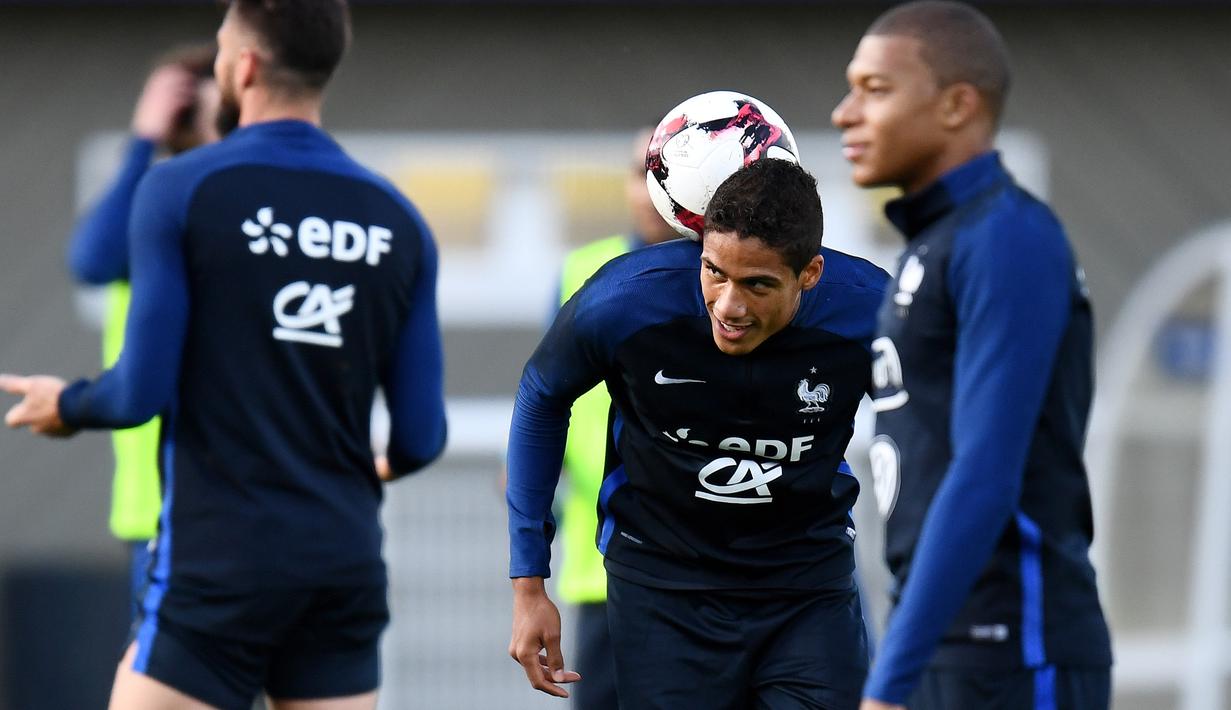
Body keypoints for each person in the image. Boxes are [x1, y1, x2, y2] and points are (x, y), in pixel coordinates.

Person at [2, 1, 447, 708]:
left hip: (221, 565)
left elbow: (138, 393)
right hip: (342, 564)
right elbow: (422, 438)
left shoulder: (182, 188)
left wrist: (68, 403)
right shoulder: (398, 218)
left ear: (244, 64)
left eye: (220, 46)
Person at [507, 157, 888, 709]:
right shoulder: (629, 297)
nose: (729, 307)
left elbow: (933, 432)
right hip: (663, 588)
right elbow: (541, 395)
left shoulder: (871, 310)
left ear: (810, 274)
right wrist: (528, 583)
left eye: (757, 284)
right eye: (714, 273)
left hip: (806, 589)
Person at [830, 2, 1113, 709]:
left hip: (1015, 649)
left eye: (875, 89)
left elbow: (985, 472)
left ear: (957, 105)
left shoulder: (1007, 237)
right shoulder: (934, 245)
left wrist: (888, 685)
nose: (843, 113)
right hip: (941, 646)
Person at [66, 42, 220, 624]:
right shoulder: (155, 207)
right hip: (154, 504)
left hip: (231, 500)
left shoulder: (239, 208)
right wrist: (143, 138)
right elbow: (92, 258)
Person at [552, 127, 679, 710]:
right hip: (600, 560)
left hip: (700, 561)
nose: (647, 187)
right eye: (637, 171)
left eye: (663, 170)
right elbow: (547, 392)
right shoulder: (585, 268)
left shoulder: (727, 276)